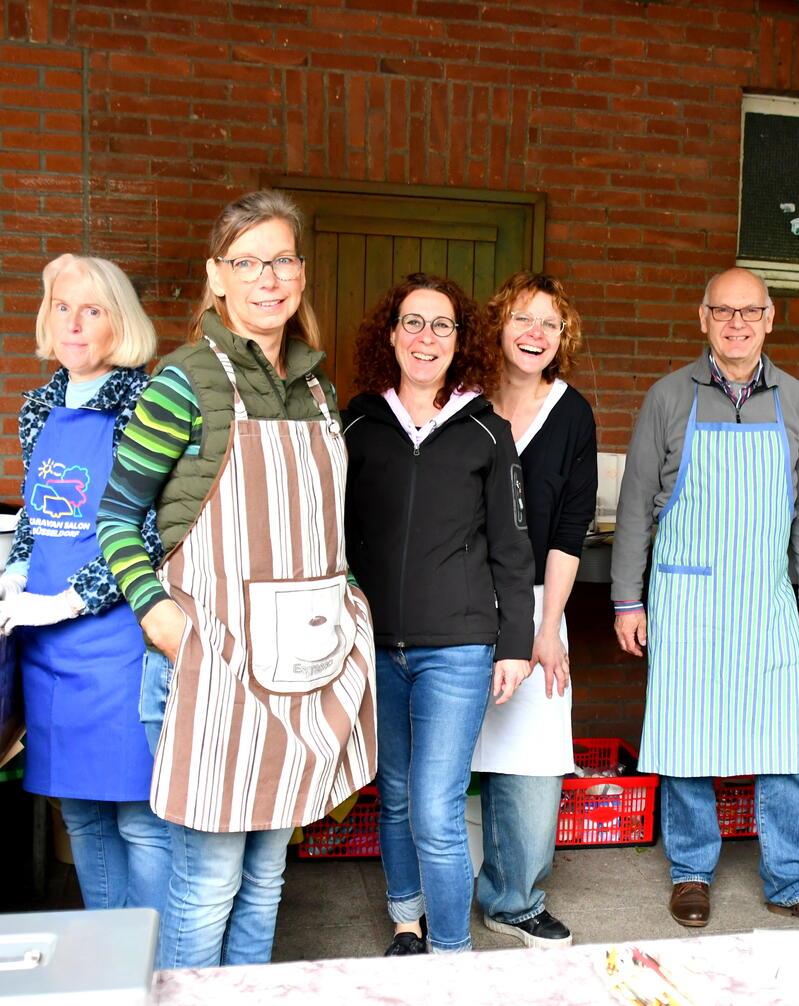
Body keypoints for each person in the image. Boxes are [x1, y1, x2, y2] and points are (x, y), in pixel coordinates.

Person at [96, 190, 377, 968]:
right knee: (208, 881)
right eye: (247, 262)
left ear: (302, 273)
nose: (268, 278)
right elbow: (117, 516)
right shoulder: (184, 381)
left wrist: (347, 598)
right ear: (217, 276)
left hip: (298, 671)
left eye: (282, 259)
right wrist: (156, 612)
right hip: (210, 666)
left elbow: (325, 524)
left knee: (265, 878)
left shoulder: (319, 389)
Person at [612, 266, 799, 931]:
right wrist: (626, 601)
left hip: (766, 601)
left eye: (749, 312)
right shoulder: (669, 397)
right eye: (723, 311)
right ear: (703, 318)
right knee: (686, 745)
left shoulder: (798, 402)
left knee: (782, 749)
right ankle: (691, 872)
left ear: (770, 318)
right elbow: (636, 505)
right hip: (687, 600)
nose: (737, 323)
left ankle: (791, 882)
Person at [344, 272, 535, 955]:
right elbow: (333, 535)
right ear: (391, 334)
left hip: (457, 647)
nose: (426, 338)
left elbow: (514, 548)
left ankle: (452, 954)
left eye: (442, 325)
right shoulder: (359, 424)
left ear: (461, 342)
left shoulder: (486, 430)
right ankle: (406, 921)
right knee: (392, 795)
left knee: (434, 807)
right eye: (413, 323)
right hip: (375, 645)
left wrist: (517, 644)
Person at [0, 254, 169, 913]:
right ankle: (112, 964)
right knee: (84, 820)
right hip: (49, 654)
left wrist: (66, 600)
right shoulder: (38, 408)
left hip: (119, 645)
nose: (73, 322)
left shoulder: (146, 404)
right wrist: (15, 581)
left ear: (119, 322)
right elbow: (38, 517)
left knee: (141, 821)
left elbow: (148, 531)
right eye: (62, 307)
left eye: (92, 309)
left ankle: (157, 965)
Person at [470, 272, 597, 948]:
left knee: (533, 757)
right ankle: (424, 895)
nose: (535, 334)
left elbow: (571, 527)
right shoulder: (463, 402)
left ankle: (514, 900)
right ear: (499, 325)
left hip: (538, 604)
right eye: (523, 318)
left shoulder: (571, 414)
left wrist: (548, 630)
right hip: (456, 599)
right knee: (442, 754)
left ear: (562, 338)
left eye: (550, 324)